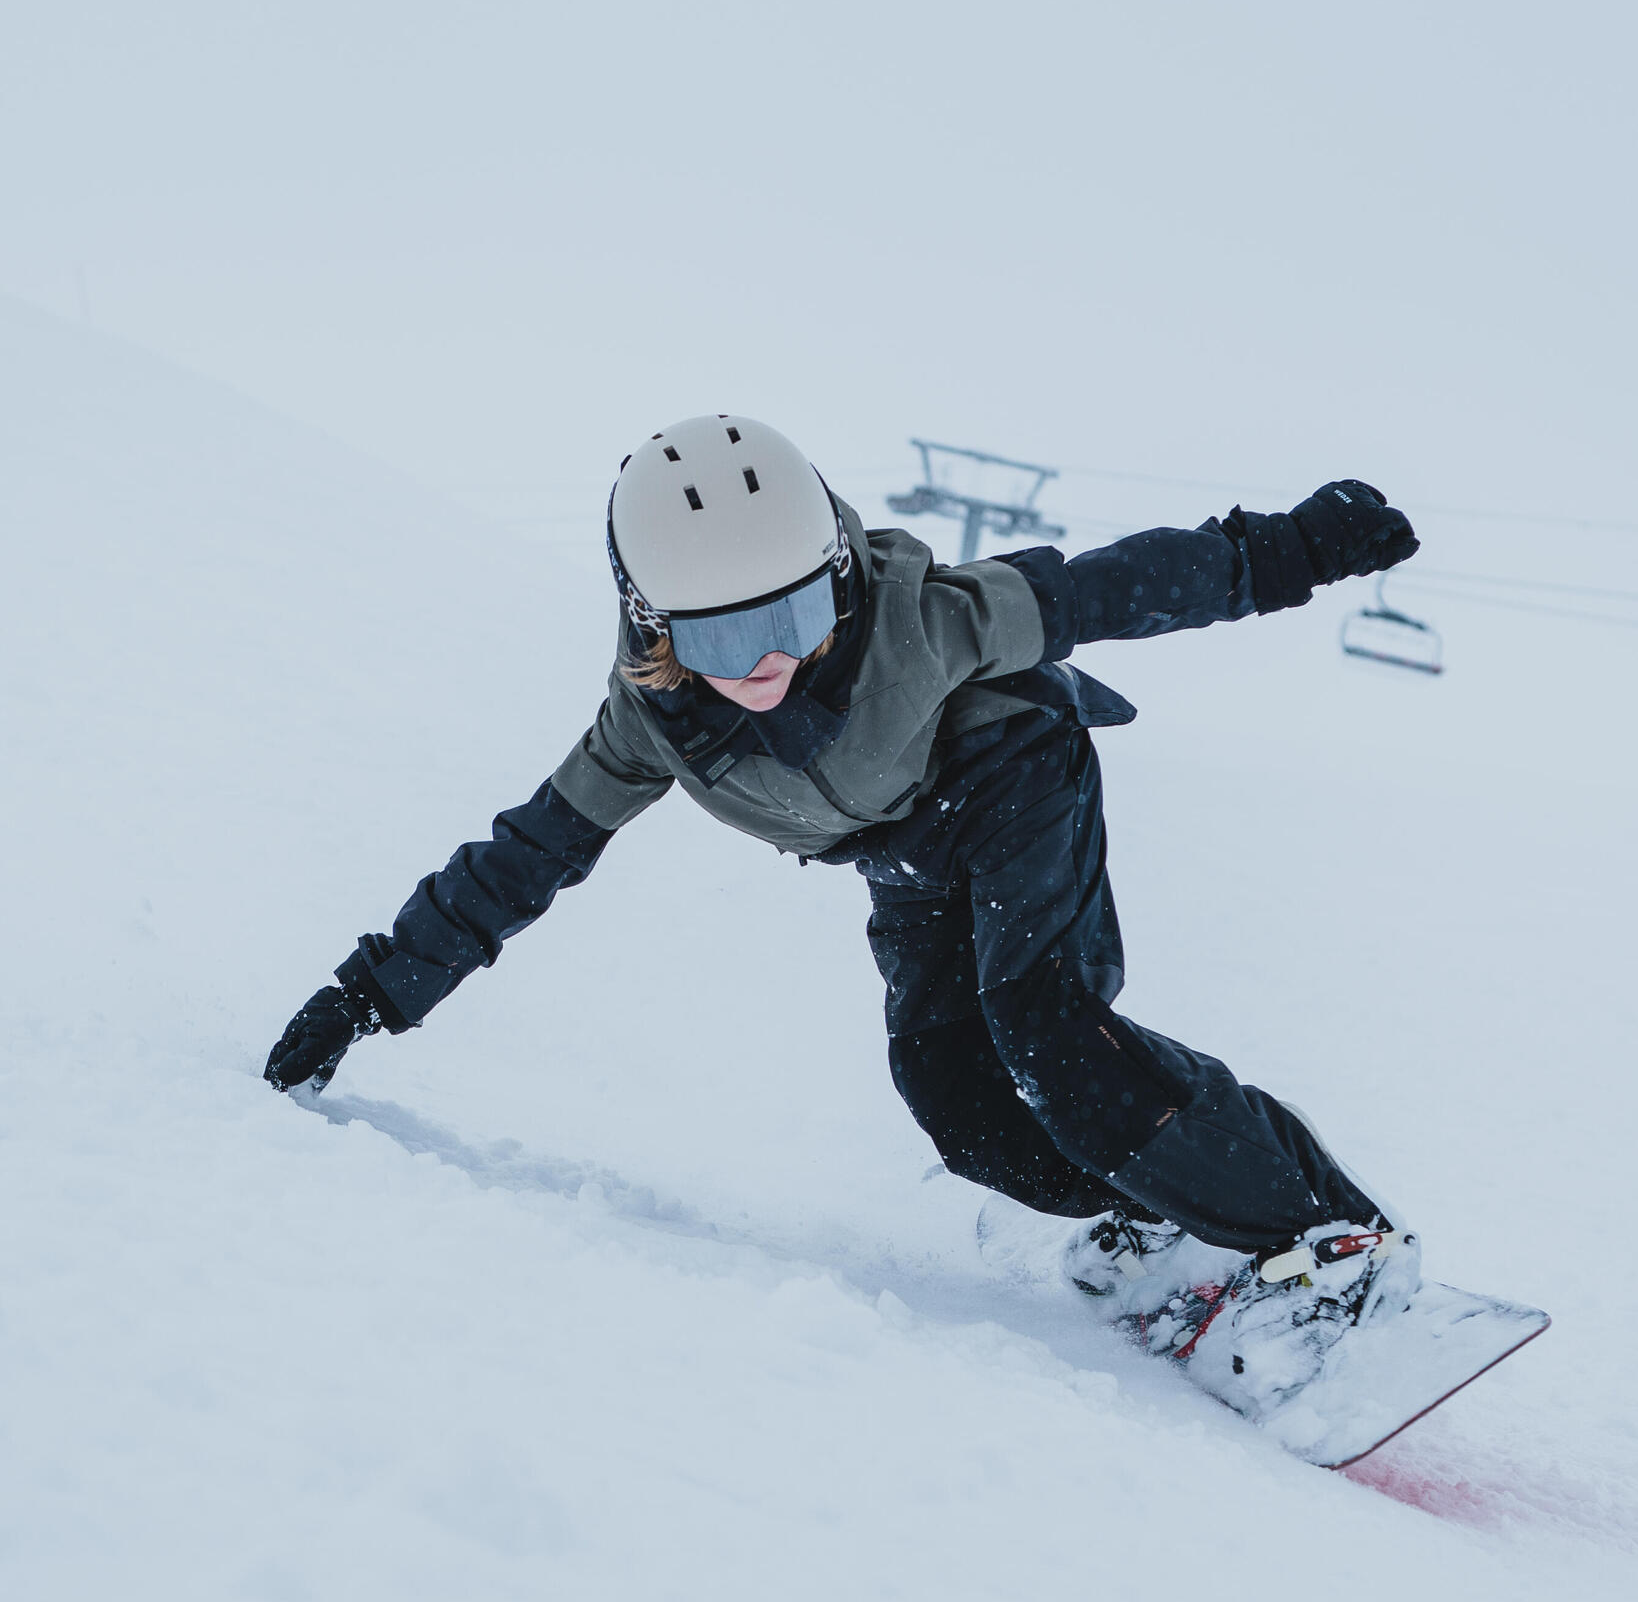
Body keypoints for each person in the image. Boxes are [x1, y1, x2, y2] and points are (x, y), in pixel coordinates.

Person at [265, 414, 1425, 1411]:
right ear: (658, 627)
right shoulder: (650, 725)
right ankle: (1157, 1217)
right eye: (726, 636)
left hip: (1013, 774)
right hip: (898, 848)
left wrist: (1305, 546)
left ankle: (1331, 1240)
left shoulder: (924, 620)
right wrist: (365, 996)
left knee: (1049, 1034)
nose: (773, 657)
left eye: (798, 610)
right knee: (952, 1095)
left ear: (836, 570)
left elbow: (1118, 585)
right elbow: (524, 857)